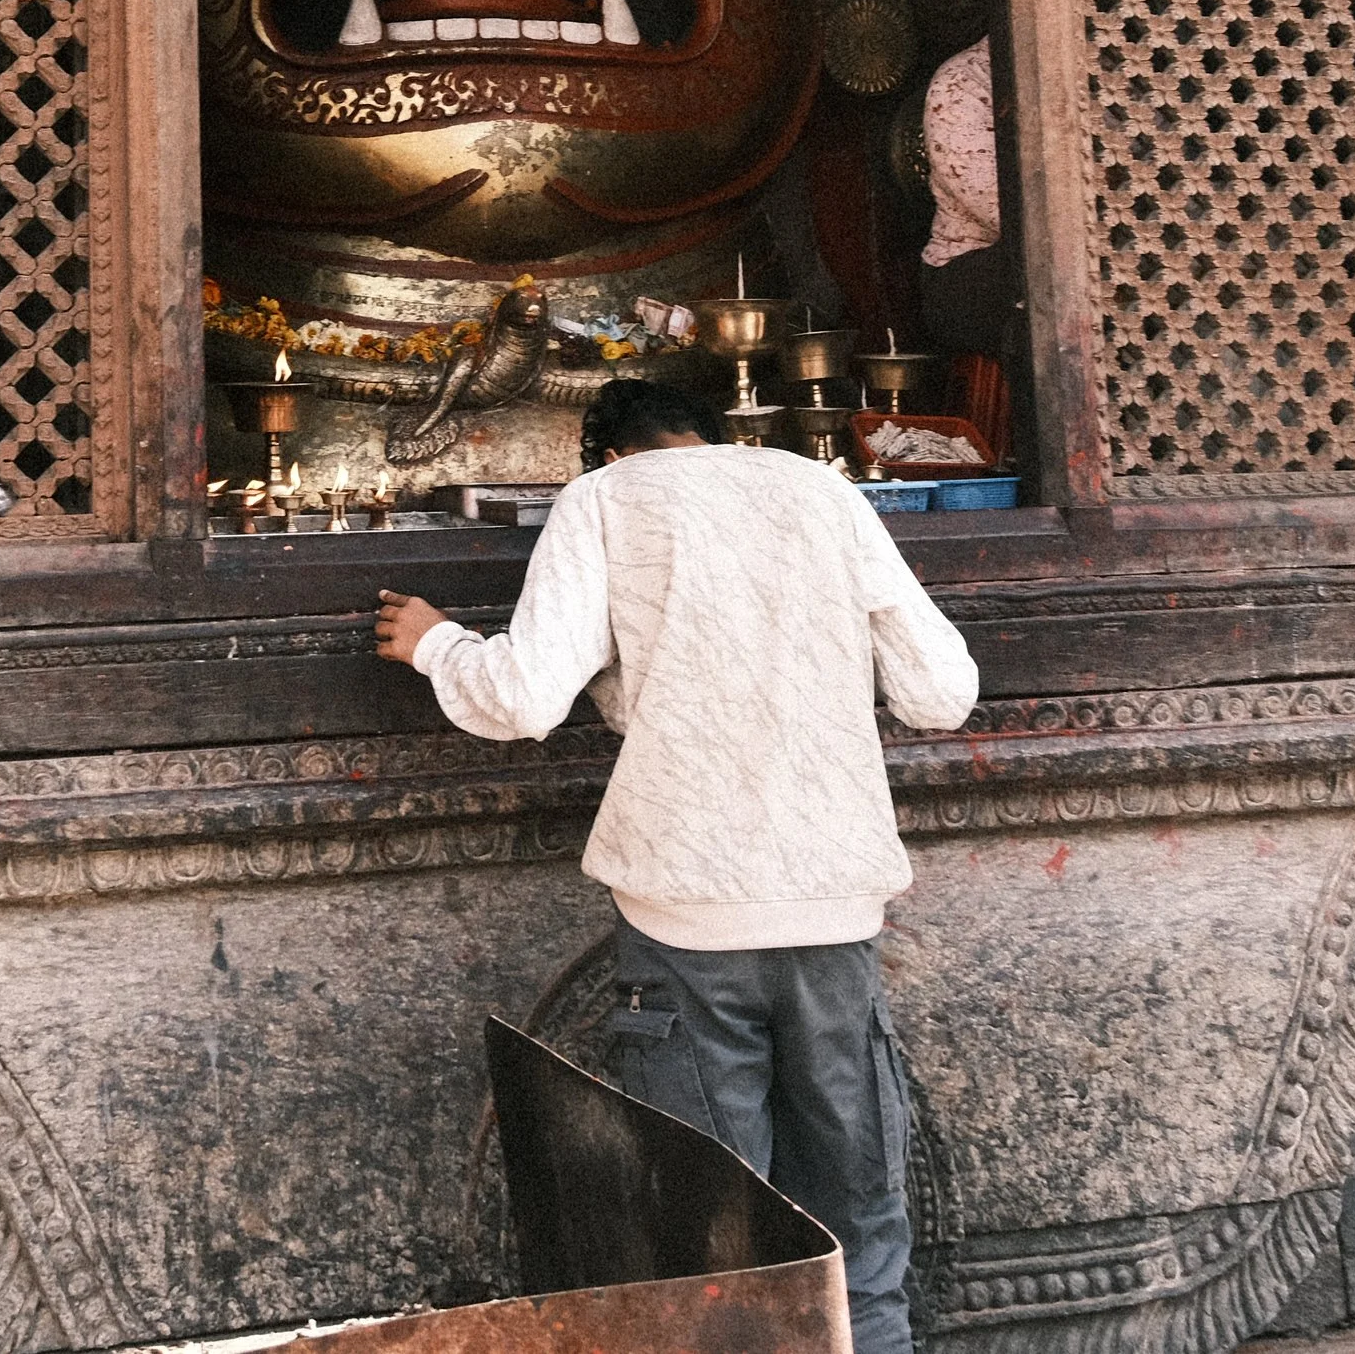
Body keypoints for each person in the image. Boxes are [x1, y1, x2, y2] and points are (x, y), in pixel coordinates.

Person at [375, 376, 977, 1354]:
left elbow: (524, 697)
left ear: (608, 452)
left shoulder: (604, 501)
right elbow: (941, 692)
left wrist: (433, 641)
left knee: (714, 1255)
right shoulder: (822, 489)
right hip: (834, 908)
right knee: (859, 1240)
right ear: (709, 434)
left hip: (685, 914)